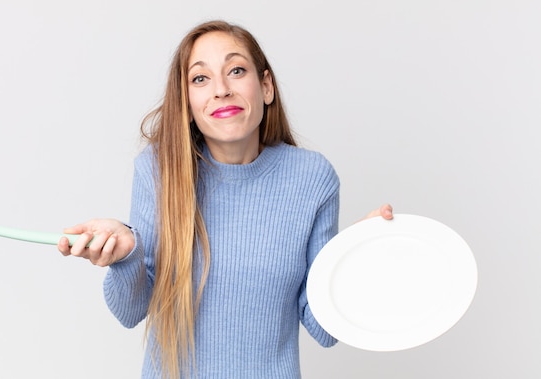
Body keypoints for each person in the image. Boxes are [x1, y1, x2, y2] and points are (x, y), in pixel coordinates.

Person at [57, 20, 393, 379]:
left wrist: (353, 259)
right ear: (186, 103)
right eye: (200, 79)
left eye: (236, 70)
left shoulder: (312, 178)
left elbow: (324, 331)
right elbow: (130, 311)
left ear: (265, 87)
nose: (221, 90)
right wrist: (126, 255)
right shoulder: (157, 170)